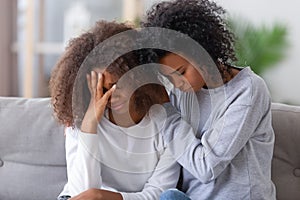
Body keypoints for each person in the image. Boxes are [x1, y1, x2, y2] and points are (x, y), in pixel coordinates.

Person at [141, 0, 276, 199]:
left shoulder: (248, 91)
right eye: (169, 78)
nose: (177, 84)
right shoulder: (182, 94)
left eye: (181, 72)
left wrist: (166, 112)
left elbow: (207, 167)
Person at [49, 20, 180, 200]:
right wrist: (89, 125)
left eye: (118, 84)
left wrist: (102, 196)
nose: (112, 96)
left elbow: (160, 193)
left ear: (137, 76)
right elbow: (82, 194)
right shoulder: (81, 119)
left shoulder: (165, 122)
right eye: (101, 89)